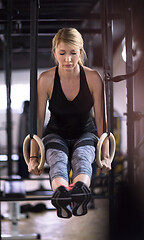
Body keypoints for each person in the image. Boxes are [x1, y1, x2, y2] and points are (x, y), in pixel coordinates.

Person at [28, 28, 110, 218]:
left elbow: (101, 119)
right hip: (56, 134)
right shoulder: (46, 80)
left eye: (73, 53)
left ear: (80, 52)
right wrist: (33, 157)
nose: (68, 59)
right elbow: (38, 121)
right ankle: (62, 196)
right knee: (58, 159)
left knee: (82, 156)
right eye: (62, 53)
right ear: (54, 51)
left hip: (85, 133)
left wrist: (105, 155)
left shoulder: (92, 78)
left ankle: (80, 193)